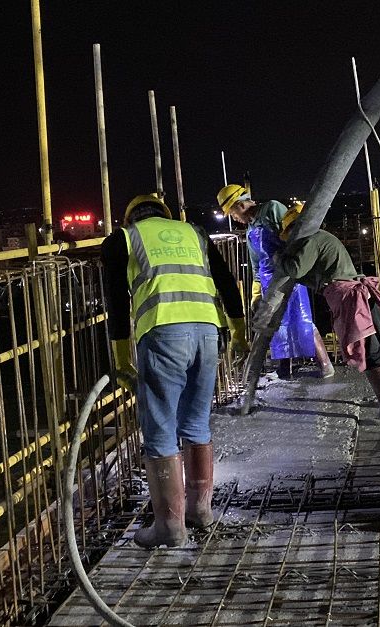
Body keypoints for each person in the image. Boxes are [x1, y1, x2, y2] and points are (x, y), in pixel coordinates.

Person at [102, 194, 248, 548]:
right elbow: (227, 281)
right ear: (166, 216)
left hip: (164, 332)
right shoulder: (195, 233)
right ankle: (200, 510)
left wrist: (121, 359)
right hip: (207, 331)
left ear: (130, 218)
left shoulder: (123, 238)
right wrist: (240, 330)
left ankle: (169, 527)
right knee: (196, 423)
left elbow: (117, 303)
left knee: (160, 430)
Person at [252, 202, 380, 426]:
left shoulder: (311, 240)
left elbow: (296, 269)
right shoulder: (321, 237)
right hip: (361, 294)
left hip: (350, 298)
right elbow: (309, 275)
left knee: (372, 352)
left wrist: (279, 258)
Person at [217, 184, 334, 379]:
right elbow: (256, 264)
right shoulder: (249, 230)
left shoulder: (272, 208)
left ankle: (325, 365)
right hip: (267, 280)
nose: (233, 217)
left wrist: (292, 264)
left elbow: (292, 234)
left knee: (301, 318)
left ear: (240, 204)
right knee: (277, 325)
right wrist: (256, 291)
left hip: (288, 274)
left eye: (232, 212)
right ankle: (284, 368)